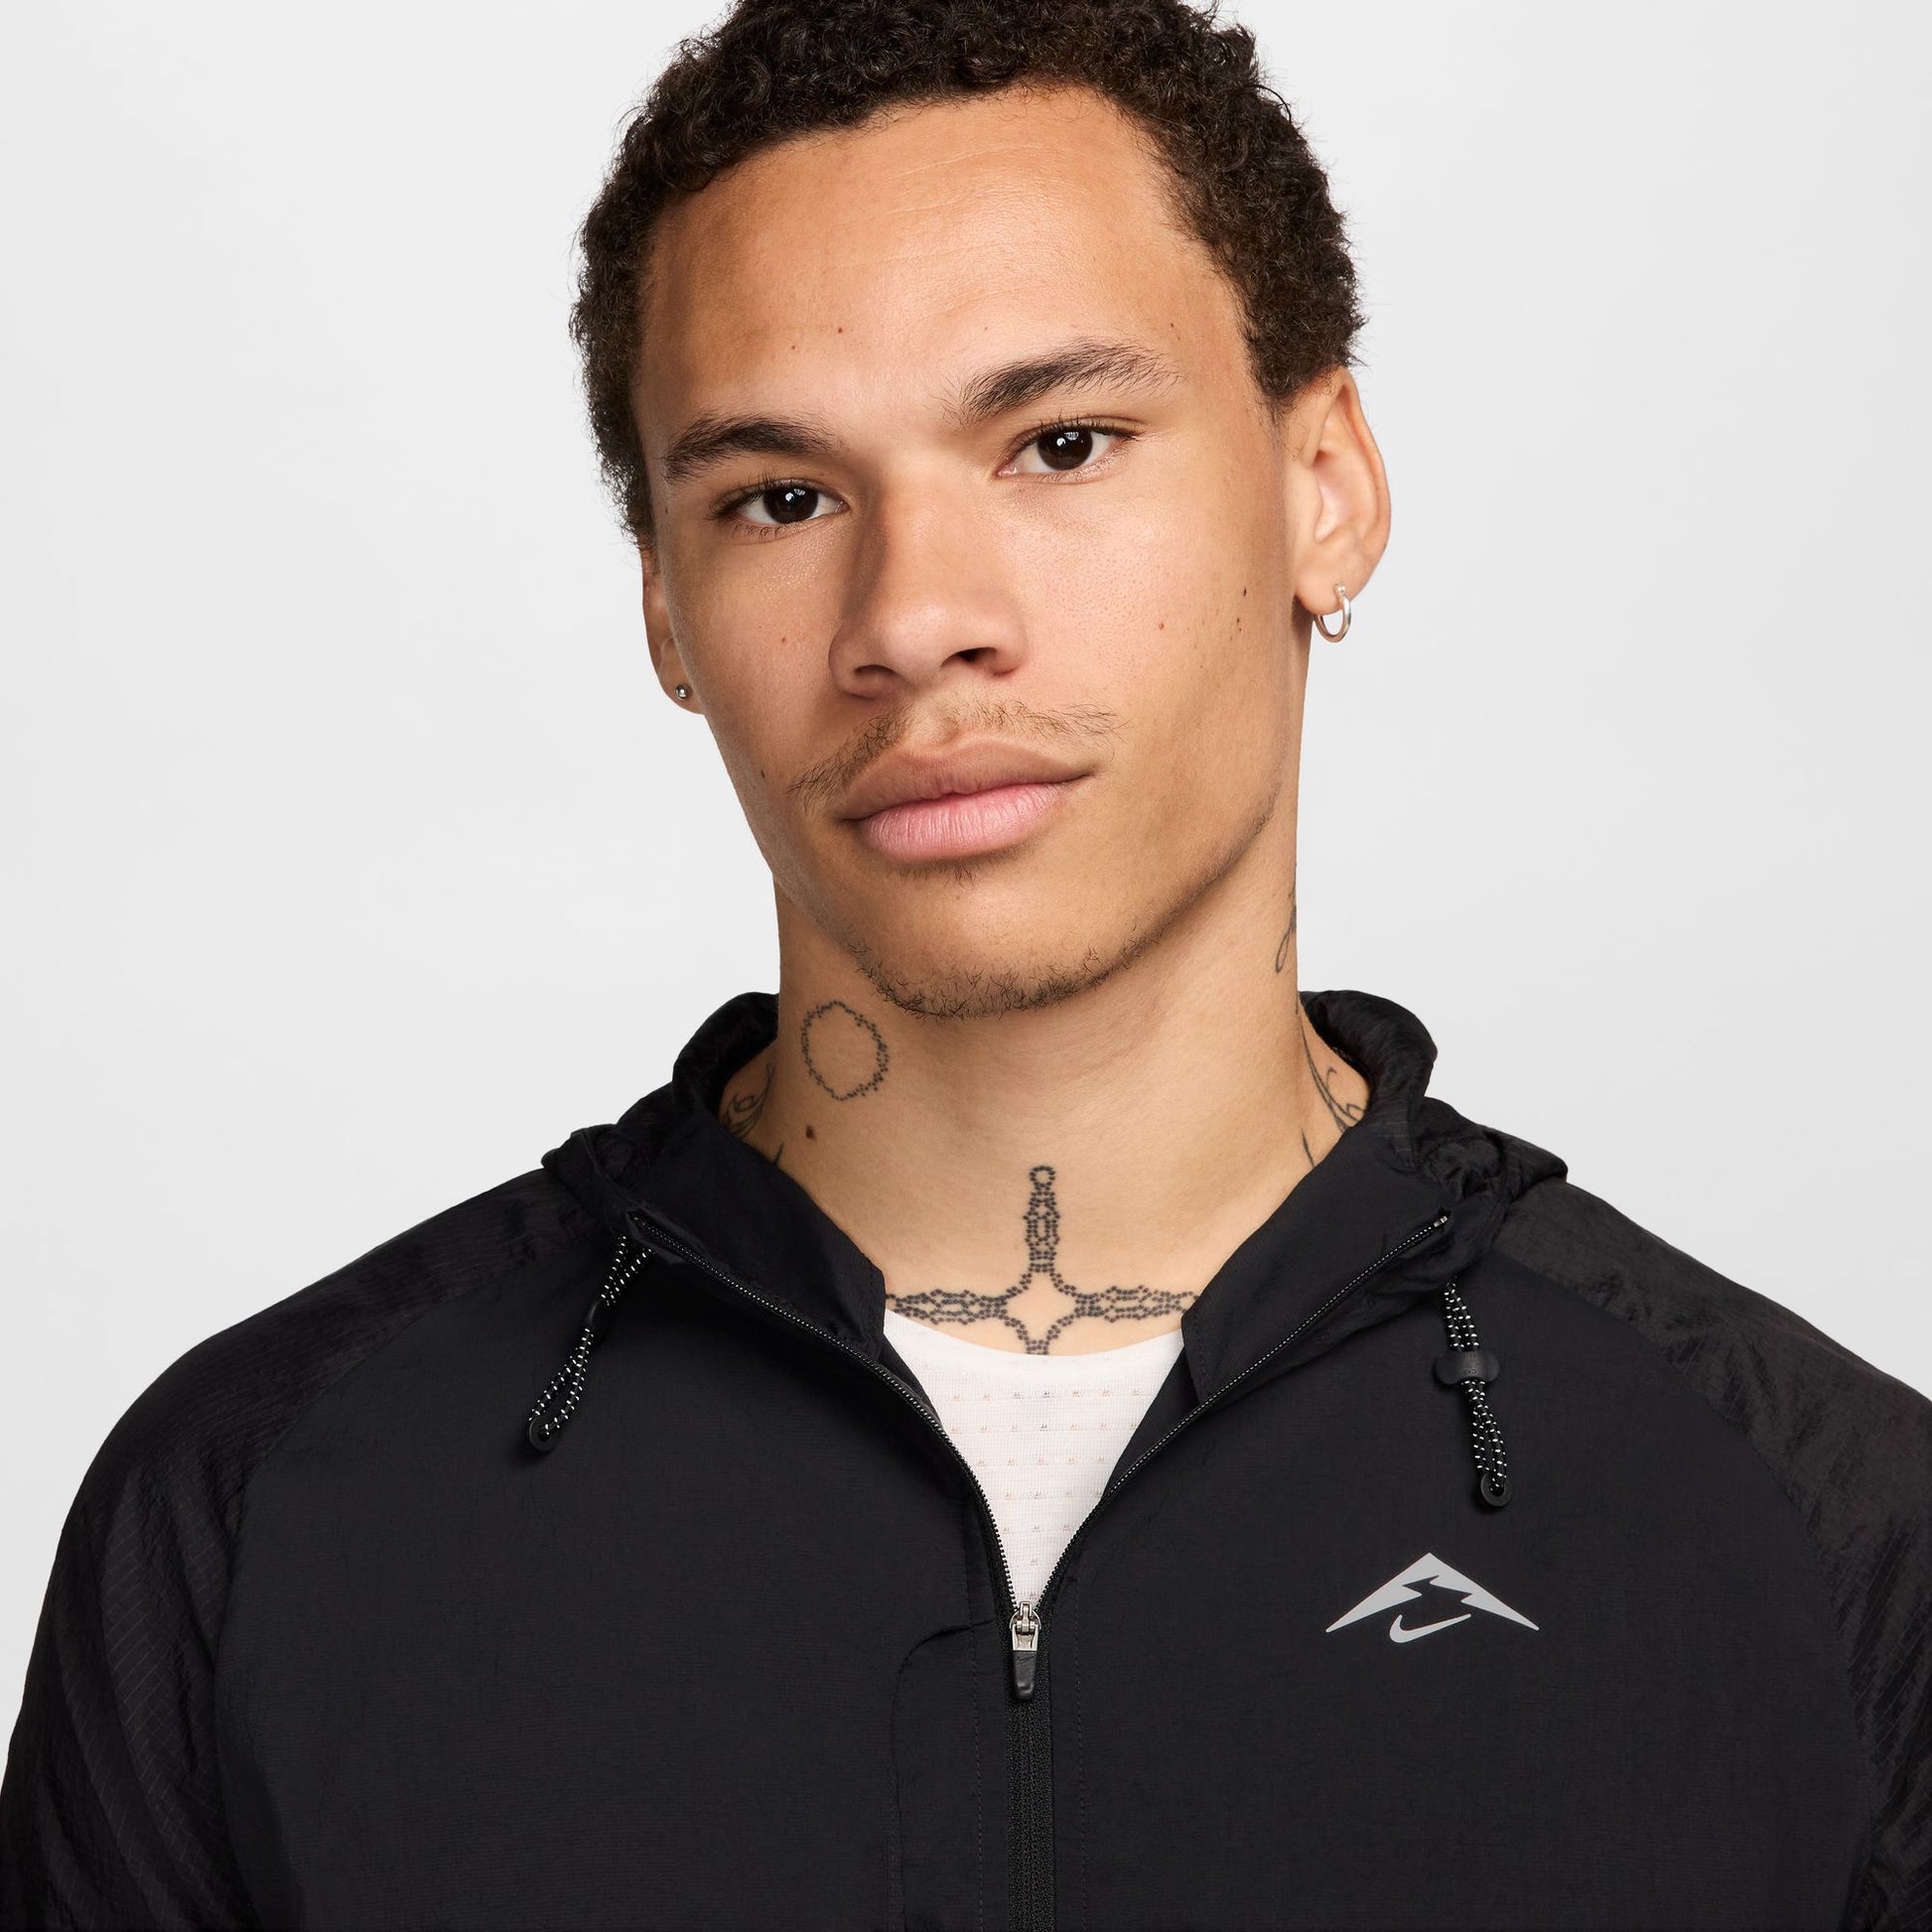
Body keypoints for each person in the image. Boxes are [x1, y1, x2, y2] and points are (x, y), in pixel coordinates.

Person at [3, 0, 1928, 1924]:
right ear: (666, 606)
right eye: (779, 498)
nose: (915, 618)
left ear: (1324, 487)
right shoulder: (255, 1516)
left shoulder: (1818, 1528)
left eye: (1059, 443)